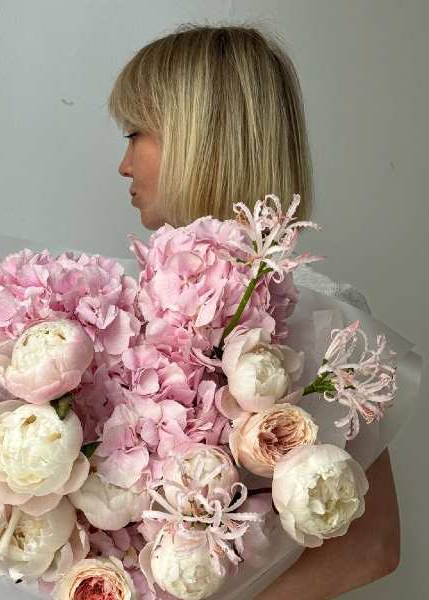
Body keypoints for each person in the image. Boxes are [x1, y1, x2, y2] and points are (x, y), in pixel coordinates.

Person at [109, 23, 400, 599]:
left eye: (136, 133)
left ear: (196, 141)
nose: (123, 164)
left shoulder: (322, 318)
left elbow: (373, 547)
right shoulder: (122, 308)